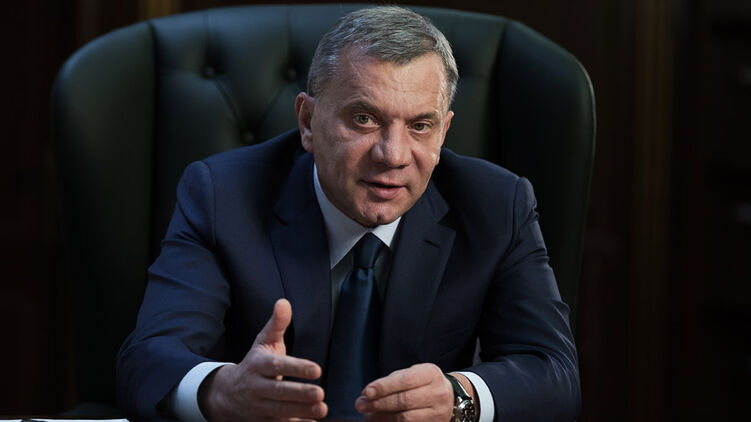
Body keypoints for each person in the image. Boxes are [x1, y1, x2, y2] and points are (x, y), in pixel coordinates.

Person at [117, 6, 580, 422]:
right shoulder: (223, 195)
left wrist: (460, 398)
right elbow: (148, 359)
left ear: (444, 132)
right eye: (364, 119)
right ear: (307, 122)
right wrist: (223, 391)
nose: (393, 155)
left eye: (420, 126)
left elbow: (554, 374)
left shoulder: (498, 204)